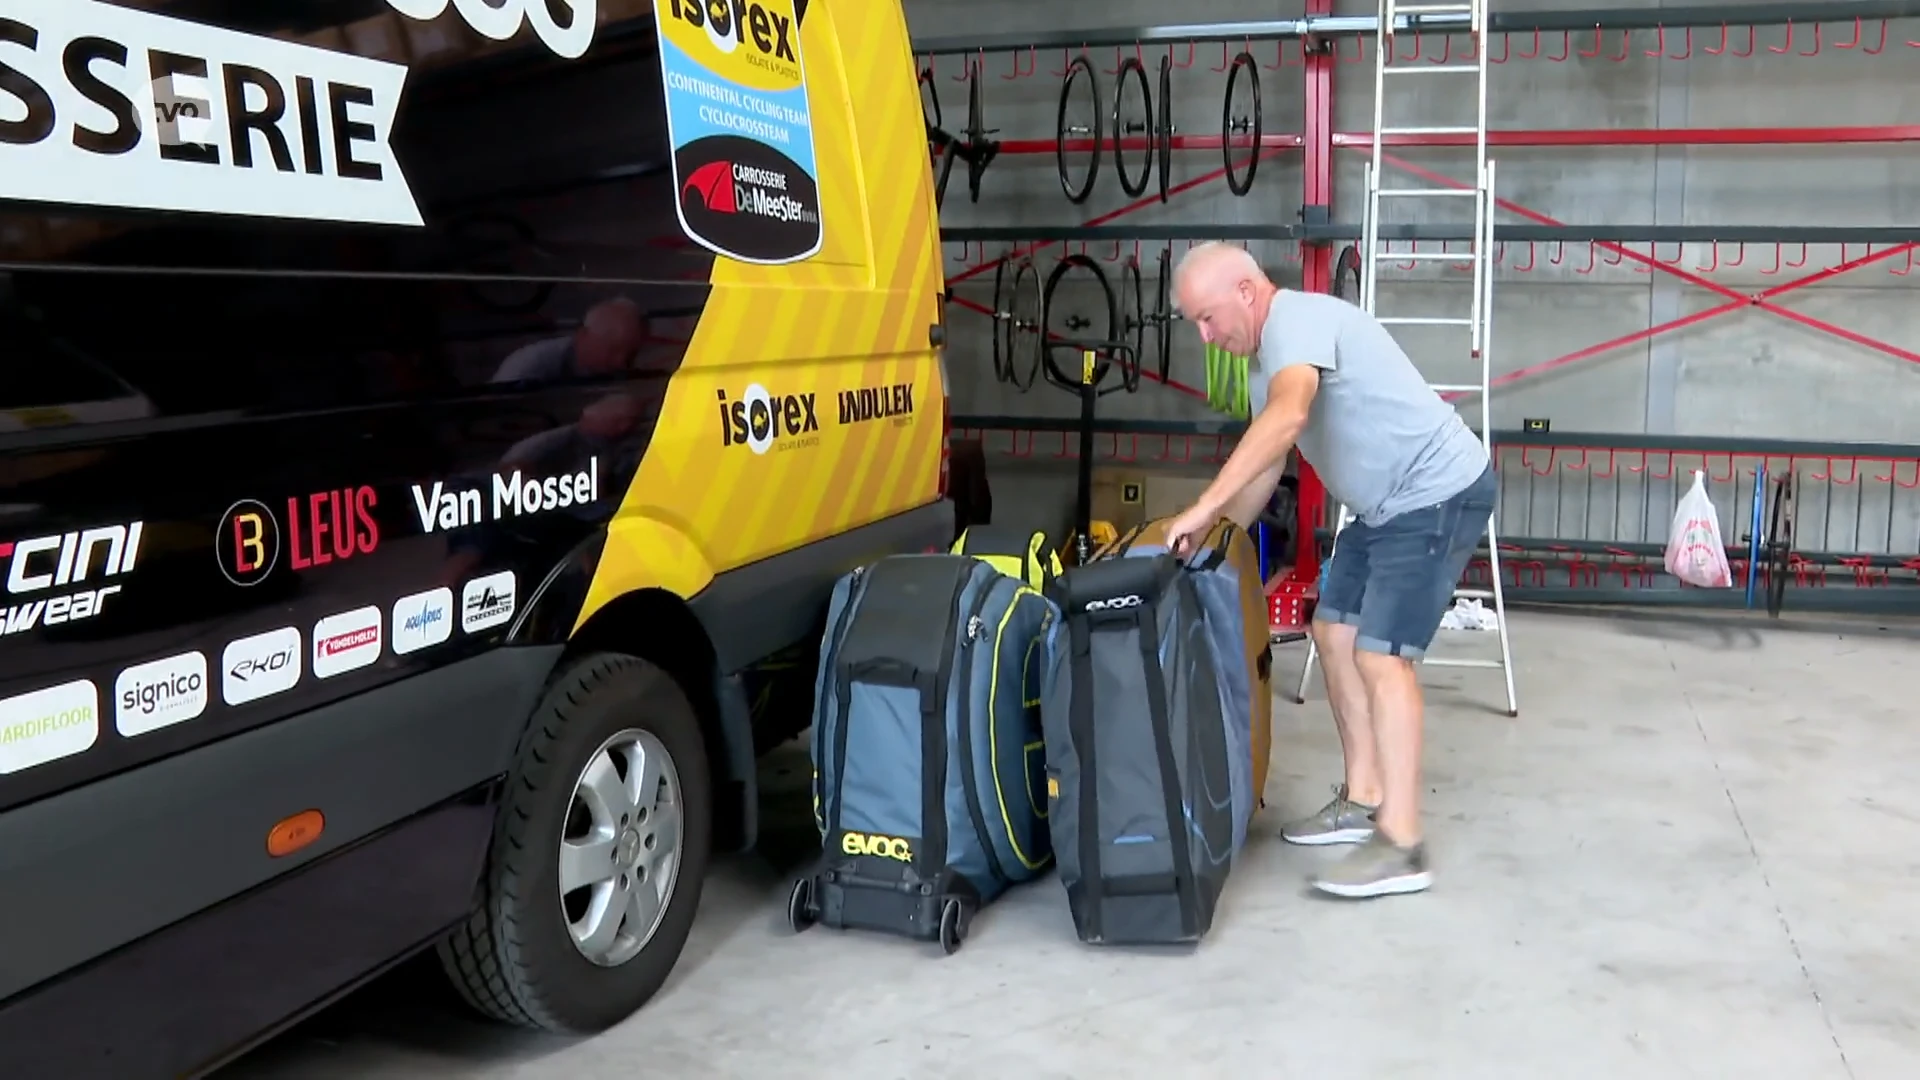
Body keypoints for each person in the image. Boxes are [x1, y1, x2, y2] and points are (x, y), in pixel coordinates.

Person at [1160, 242, 1496, 900]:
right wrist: (1214, 536)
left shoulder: (1297, 323)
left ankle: (1403, 843)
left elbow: (1289, 417)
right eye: (1193, 323)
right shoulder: (1266, 363)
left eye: (1207, 317)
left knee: (1380, 656)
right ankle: (1365, 794)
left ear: (1247, 293)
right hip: (1384, 508)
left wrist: (1202, 504)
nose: (1205, 335)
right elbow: (1264, 467)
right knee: (1333, 629)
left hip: (1436, 492)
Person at [490, 296, 645, 384]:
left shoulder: (621, 376)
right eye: (613, 350)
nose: (621, 362)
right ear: (583, 336)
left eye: (631, 354)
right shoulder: (526, 370)